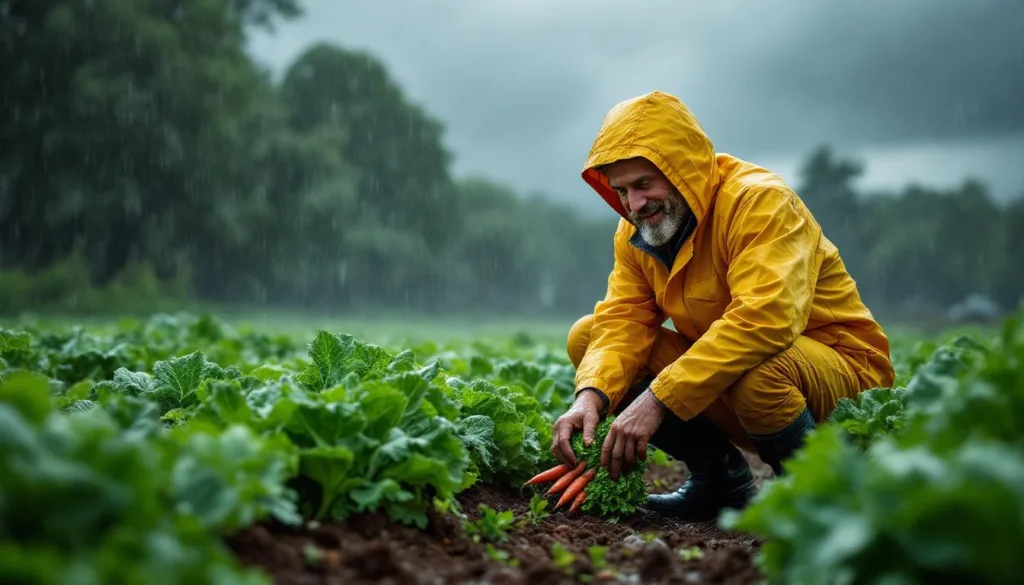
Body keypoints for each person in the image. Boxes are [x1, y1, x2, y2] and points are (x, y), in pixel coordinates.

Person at [550, 90, 895, 520]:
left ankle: (817, 497)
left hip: (839, 381)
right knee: (589, 336)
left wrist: (658, 399)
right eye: (621, 190)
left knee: (760, 369)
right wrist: (590, 397)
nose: (634, 204)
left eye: (644, 184)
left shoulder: (760, 203)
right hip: (733, 380)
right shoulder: (637, 231)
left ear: (683, 172)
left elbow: (764, 320)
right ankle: (721, 482)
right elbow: (624, 319)